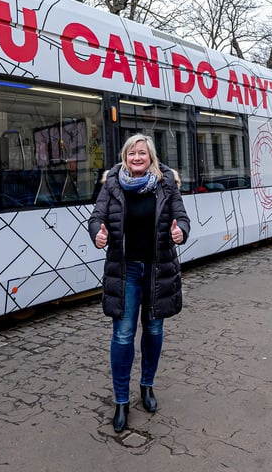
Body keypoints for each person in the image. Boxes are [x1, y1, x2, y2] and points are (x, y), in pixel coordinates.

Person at [88, 133, 190, 433]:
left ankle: (147, 386)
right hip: (126, 271)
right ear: (124, 156)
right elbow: (97, 217)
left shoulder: (166, 182)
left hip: (158, 270)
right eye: (131, 153)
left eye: (142, 153)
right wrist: (98, 233)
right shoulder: (112, 183)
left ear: (151, 157)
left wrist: (179, 231)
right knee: (122, 335)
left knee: (155, 328)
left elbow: (181, 218)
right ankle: (121, 400)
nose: (136, 158)